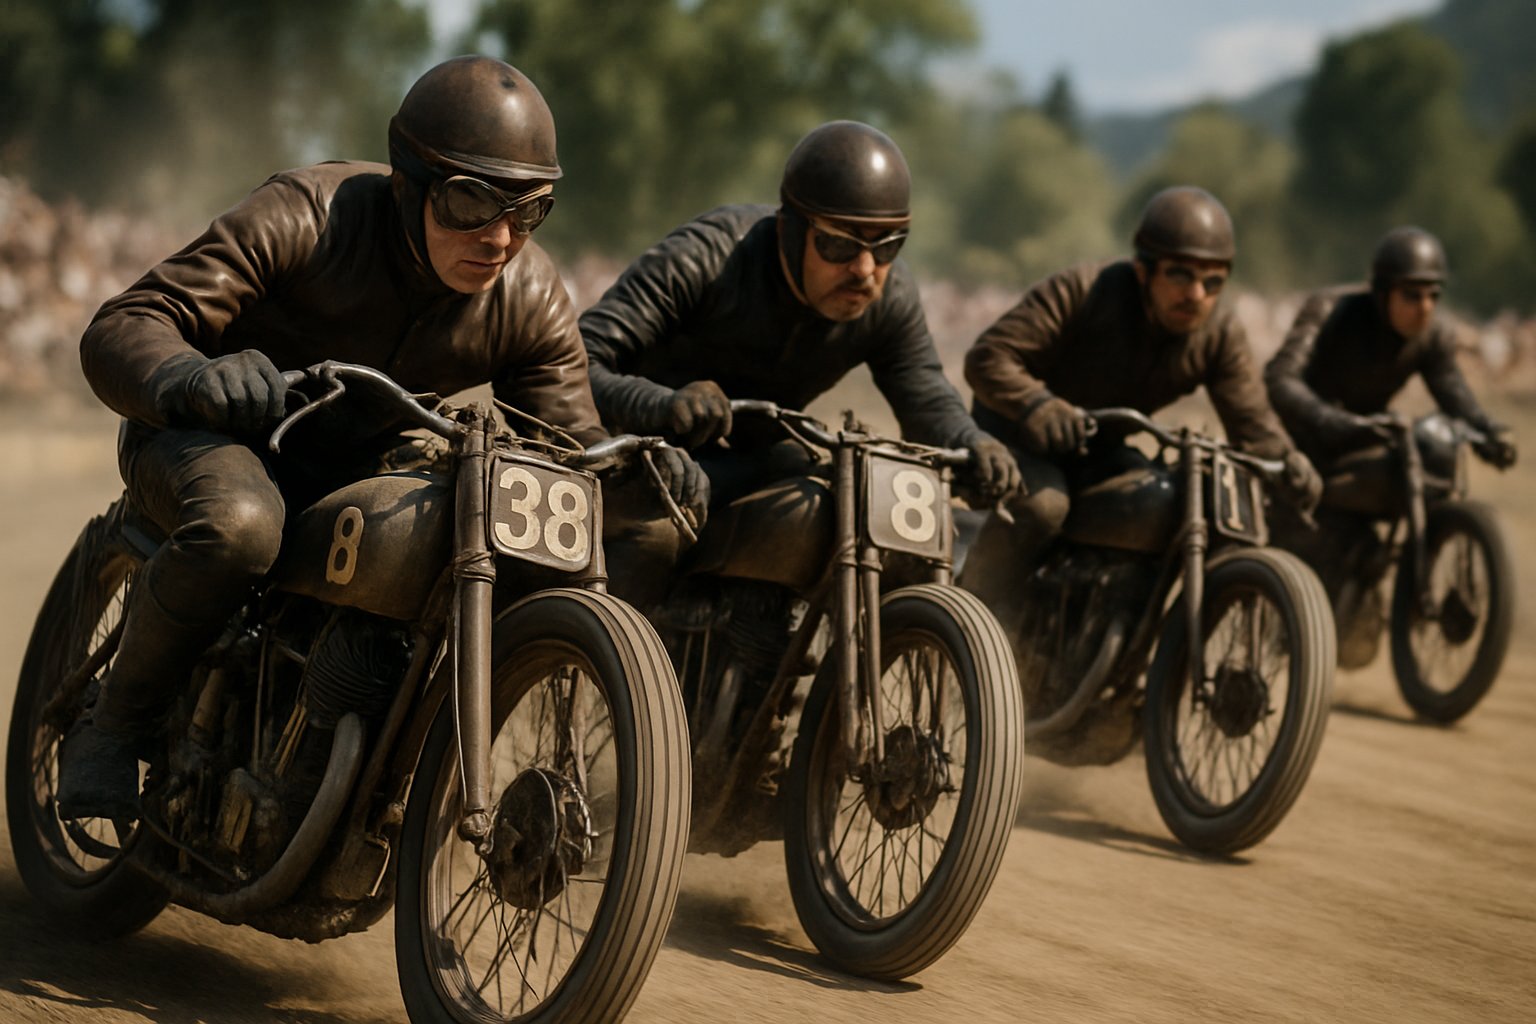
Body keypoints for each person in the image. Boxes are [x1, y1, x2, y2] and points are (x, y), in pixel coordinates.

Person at [57, 55, 701, 820]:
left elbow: (571, 442)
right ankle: (112, 723)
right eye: (473, 202)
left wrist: (638, 480)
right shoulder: (305, 214)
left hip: (358, 467)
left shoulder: (529, 296)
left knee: (451, 537)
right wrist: (193, 379)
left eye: (529, 212)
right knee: (241, 526)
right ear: (411, 182)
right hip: (217, 435)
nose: (501, 238)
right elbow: (126, 324)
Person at [580, 119, 1020, 599]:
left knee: (840, 509)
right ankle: (614, 664)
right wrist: (661, 404)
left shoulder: (890, 298)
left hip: (760, 461)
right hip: (648, 457)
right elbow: (578, 361)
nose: (865, 269)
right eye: (839, 244)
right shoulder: (705, 258)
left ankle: (768, 644)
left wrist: (972, 442)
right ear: (789, 230)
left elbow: (925, 394)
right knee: (656, 534)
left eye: (888, 244)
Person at [959, 185, 1321, 620]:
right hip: (1018, 435)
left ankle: (1117, 624)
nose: (1197, 294)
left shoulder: (1220, 333)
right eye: (1181, 275)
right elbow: (988, 356)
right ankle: (971, 617)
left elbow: (1252, 420)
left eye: (1213, 281)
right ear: (1143, 271)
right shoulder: (1083, 291)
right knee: (1044, 507)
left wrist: (1286, 459)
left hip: (1102, 449)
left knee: (1162, 500)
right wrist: (1038, 405)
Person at [1263, 226, 1516, 660]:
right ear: (1383, 293)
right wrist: (1328, 419)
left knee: (1416, 462)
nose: (1425, 308)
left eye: (1433, 295)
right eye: (1412, 295)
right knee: (1308, 526)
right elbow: (1280, 377)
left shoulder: (1432, 335)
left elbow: (1451, 388)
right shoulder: (1329, 311)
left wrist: (1486, 429)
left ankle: (1374, 585)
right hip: (1306, 443)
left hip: (1367, 436)